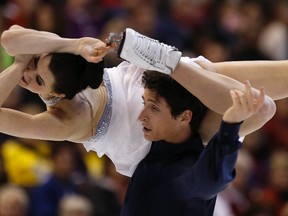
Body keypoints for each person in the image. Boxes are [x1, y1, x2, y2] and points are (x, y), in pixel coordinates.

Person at [0, 25, 275, 177]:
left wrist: (74, 44)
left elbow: (9, 39)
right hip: (161, 134)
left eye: (35, 64)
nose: (28, 73)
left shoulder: (71, 57)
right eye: (38, 80)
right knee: (262, 107)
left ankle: (169, 62)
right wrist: (17, 66)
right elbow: (13, 44)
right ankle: (168, 61)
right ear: (58, 95)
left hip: (148, 81)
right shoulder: (63, 122)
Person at [120, 70, 270, 216]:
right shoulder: (154, 146)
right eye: (144, 103)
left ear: (185, 117)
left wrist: (231, 125)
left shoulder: (186, 169)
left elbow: (210, 181)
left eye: (154, 108)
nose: (141, 116)